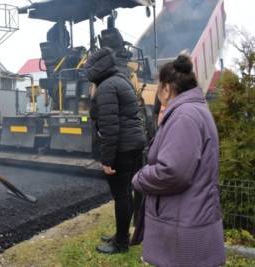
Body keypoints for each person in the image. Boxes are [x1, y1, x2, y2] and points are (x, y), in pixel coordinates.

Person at [132, 55, 226, 266]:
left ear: (166, 88)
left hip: (182, 227)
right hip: (188, 218)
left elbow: (173, 172)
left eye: (158, 88)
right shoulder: (194, 109)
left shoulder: (184, 116)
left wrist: (140, 178)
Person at [86, 47, 146, 254]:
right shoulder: (120, 80)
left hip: (122, 148)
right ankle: (122, 235)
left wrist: (107, 160)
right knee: (127, 194)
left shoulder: (106, 87)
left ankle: (121, 243)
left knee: (121, 195)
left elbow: (110, 128)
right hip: (133, 144)